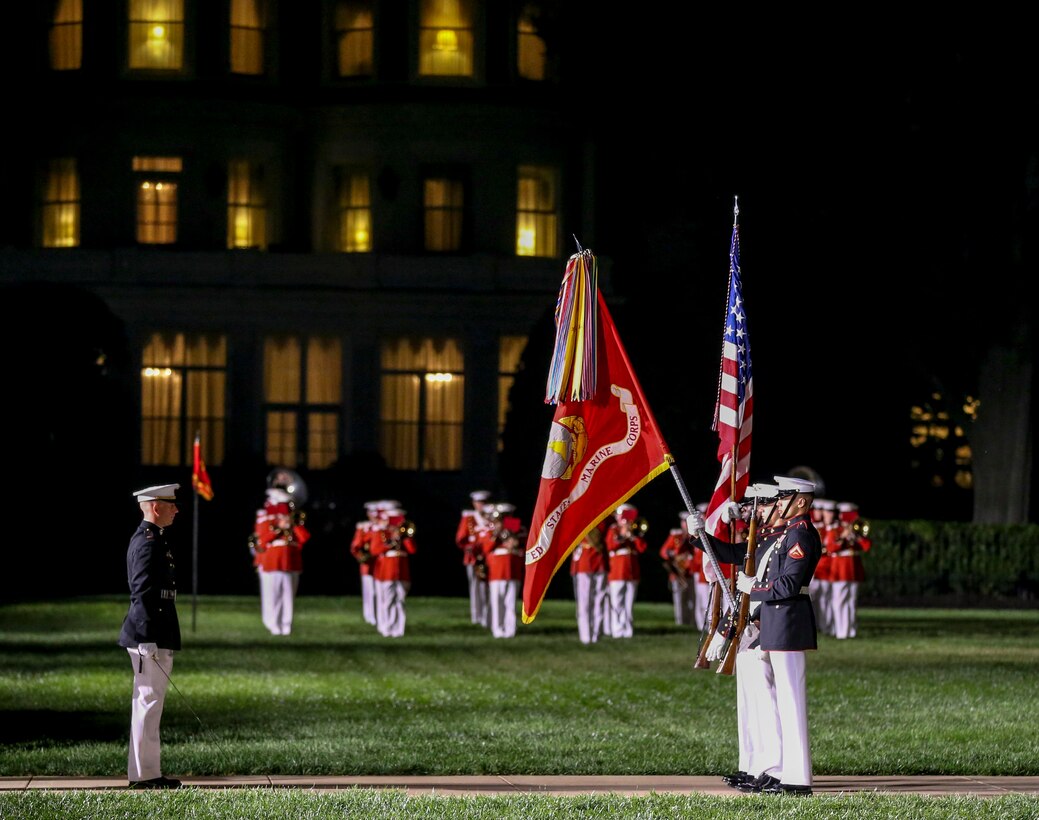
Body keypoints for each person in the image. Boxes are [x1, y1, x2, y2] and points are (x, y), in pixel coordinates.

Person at [689, 474, 821, 797]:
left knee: (790, 701)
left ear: (800, 502)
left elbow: (789, 585)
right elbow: (737, 555)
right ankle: (780, 772)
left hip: (788, 622)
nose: (774, 505)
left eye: (782, 499)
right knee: (776, 702)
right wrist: (699, 537)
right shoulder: (783, 536)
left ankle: (797, 776)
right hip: (775, 623)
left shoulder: (800, 535)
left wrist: (754, 589)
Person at [117, 483, 184, 790]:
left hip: (157, 631)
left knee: (151, 704)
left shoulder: (155, 539)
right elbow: (142, 592)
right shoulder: (147, 542)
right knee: (147, 703)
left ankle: (148, 773)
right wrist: (146, 638)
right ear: (156, 507)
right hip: (149, 634)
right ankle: (143, 776)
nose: (176, 509)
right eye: (171, 504)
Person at [254, 488, 311, 635]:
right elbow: (261, 541)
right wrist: (279, 528)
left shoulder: (293, 520)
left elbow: (304, 538)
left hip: (291, 562)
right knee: (273, 595)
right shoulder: (266, 519)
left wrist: (292, 524)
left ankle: (287, 626)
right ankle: (274, 624)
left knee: (289, 596)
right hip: (274, 562)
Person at [479, 503, 526, 638]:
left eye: (504, 517)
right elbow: (486, 548)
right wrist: (496, 533)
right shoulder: (490, 529)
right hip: (496, 571)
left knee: (510, 603)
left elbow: (523, 545)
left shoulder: (516, 527)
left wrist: (514, 543)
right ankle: (498, 630)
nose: (501, 521)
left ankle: (510, 630)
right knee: (497, 602)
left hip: (512, 570)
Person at [826, 502, 871, 639]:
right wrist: (843, 537)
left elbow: (866, 546)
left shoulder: (855, 530)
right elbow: (831, 548)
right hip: (840, 569)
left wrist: (857, 537)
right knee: (839, 601)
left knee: (851, 601)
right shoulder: (835, 530)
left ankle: (851, 630)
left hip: (853, 570)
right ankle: (840, 632)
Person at [370, 507, 416, 637]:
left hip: (402, 571)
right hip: (387, 572)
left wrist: (405, 537)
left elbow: (412, 550)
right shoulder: (382, 533)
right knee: (388, 600)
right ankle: (386, 627)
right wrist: (391, 542)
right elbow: (375, 550)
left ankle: (399, 629)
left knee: (400, 600)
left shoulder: (404, 534)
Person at [605, 504, 648, 638]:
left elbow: (642, 548)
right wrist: (623, 536)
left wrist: (634, 536)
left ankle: (628, 631)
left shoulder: (635, 532)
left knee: (628, 604)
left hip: (632, 573)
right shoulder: (614, 530)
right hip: (617, 572)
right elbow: (610, 546)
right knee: (616, 603)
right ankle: (617, 631)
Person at [455, 490, 493, 627]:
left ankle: (489, 616)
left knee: (491, 588)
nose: (482, 505)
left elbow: (514, 529)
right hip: (474, 558)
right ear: (474, 504)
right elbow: (460, 538)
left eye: (484, 502)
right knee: (476, 587)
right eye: (479, 502)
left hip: (491, 558)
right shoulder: (468, 518)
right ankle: (477, 616)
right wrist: (470, 547)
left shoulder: (495, 516)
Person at [570, 521, 610, 643]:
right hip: (584, 562)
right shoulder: (579, 517)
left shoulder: (606, 519)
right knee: (584, 601)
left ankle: (596, 635)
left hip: (600, 560)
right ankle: (586, 636)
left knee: (600, 600)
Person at [659, 513, 696, 626]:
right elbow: (664, 552)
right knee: (679, 600)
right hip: (678, 573)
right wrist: (675, 555)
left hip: (691, 572)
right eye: (683, 522)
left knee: (692, 600)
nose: (684, 524)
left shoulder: (694, 535)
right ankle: (681, 622)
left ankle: (693, 622)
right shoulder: (676, 536)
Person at [809, 499, 837, 637]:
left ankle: (825, 626)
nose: (820, 513)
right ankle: (816, 626)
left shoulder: (828, 528)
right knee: (814, 600)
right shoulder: (814, 527)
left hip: (826, 568)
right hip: (816, 568)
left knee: (826, 600)